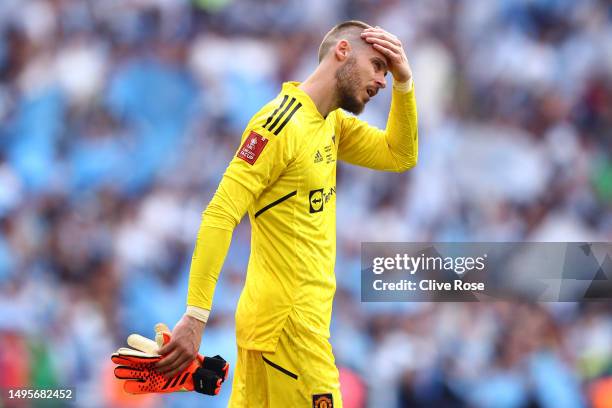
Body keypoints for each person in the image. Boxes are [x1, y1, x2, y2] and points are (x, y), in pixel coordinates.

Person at [155, 20, 418, 407]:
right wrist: (195, 317)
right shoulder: (279, 124)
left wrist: (405, 83)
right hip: (289, 332)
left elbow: (401, 154)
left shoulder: (331, 123)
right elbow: (220, 213)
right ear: (342, 52)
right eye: (378, 65)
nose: (383, 79)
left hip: (280, 328)